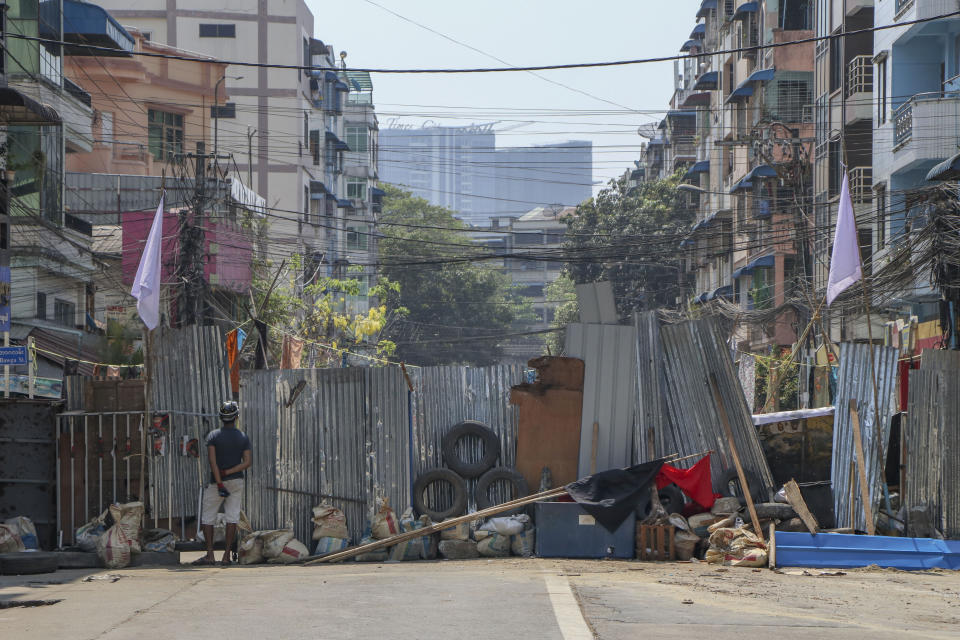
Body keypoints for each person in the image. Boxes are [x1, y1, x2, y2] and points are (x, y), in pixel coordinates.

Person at [194, 400, 251, 566]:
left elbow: (213, 463)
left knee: (208, 517)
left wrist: (219, 482)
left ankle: (210, 554)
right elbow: (247, 462)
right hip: (236, 482)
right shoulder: (243, 437)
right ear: (236, 417)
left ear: (221, 417)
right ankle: (226, 556)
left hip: (216, 483)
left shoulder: (213, 436)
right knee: (232, 517)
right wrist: (230, 472)